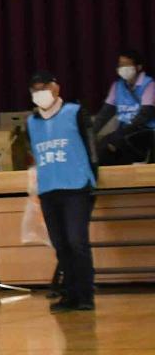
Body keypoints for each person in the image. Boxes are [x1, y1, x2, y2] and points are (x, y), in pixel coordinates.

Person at [27, 69, 100, 313]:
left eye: (44, 87)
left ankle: (85, 294)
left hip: (76, 186)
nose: (40, 93)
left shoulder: (75, 112)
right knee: (61, 245)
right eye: (35, 90)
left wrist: (92, 180)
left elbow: (91, 148)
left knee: (77, 241)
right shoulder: (32, 122)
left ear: (56, 87)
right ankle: (69, 294)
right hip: (49, 189)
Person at [97, 49, 154, 164]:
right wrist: (90, 133)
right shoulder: (117, 86)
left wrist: (119, 134)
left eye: (126, 64)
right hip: (124, 132)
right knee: (101, 146)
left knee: (116, 142)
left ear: (138, 67)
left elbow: (144, 116)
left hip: (145, 131)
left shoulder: (149, 84)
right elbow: (104, 114)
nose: (123, 68)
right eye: (120, 65)